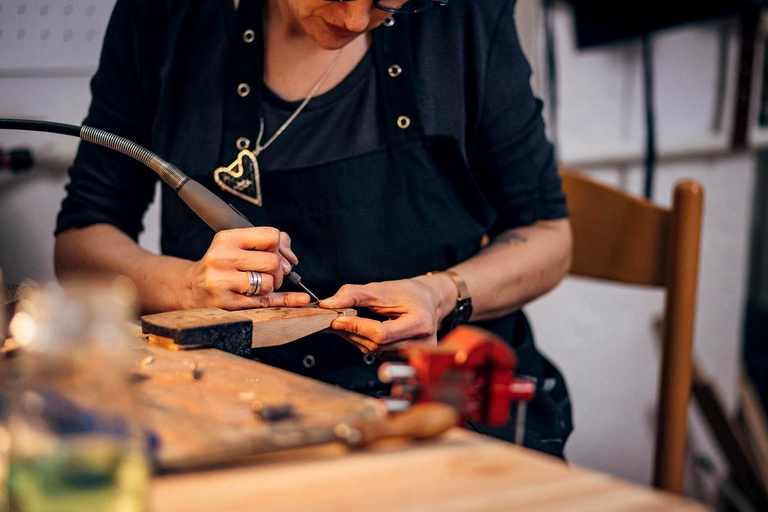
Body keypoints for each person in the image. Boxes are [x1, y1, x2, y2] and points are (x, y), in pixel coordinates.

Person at [55, 0, 574, 457]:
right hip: (233, 399)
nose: (354, 20)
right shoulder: (166, 14)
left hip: (445, 399)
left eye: (387, 4)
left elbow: (549, 236)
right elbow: (82, 243)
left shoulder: (462, 14)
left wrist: (442, 294)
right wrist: (187, 286)